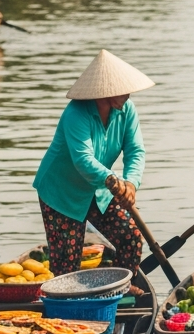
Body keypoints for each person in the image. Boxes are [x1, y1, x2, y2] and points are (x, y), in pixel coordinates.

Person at [33, 50, 153, 278]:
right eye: (121, 89)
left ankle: (121, 286)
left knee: (130, 236)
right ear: (104, 91)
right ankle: (66, 306)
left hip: (100, 191)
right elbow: (83, 160)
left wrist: (131, 183)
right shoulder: (76, 113)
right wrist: (112, 180)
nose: (127, 94)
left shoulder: (127, 111)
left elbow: (135, 151)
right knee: (67, 263)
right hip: (62, 193)